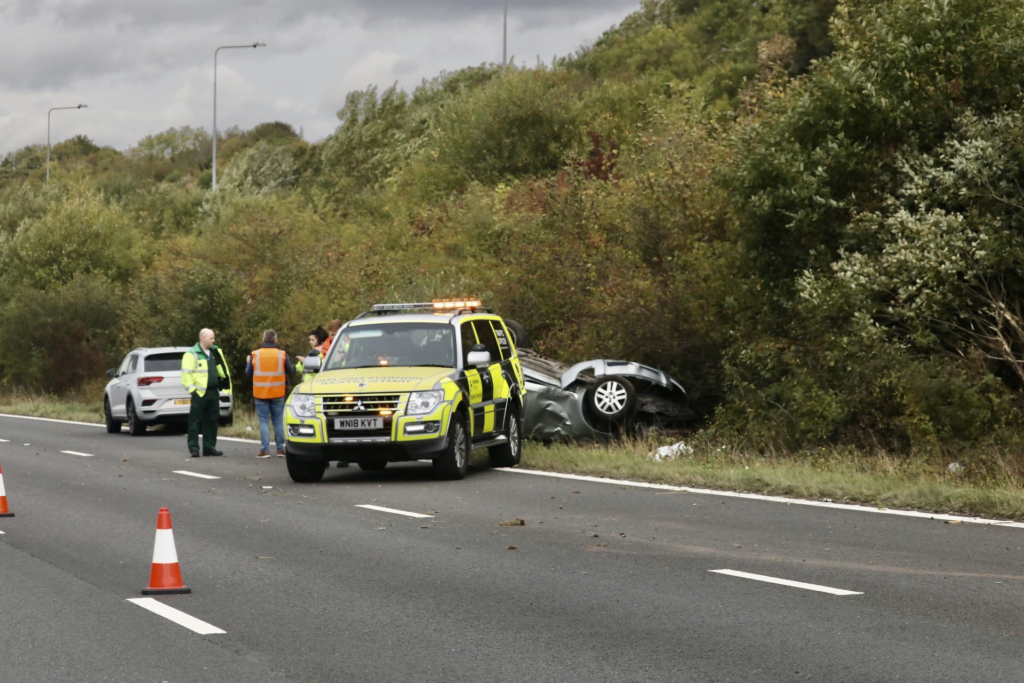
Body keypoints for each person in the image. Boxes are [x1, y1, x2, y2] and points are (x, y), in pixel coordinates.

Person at [181, 328, 231, 458]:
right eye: (211, 338)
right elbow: (186, 375)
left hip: (213, 392)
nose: (213, 340)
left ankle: (209, 447)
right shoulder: (192, 354)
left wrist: (224, 385)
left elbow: (222, 369)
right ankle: (194, 448)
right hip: (200, 393)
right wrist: (193, 391)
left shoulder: (215, 352)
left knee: (212, 421)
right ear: (203, 338)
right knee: (195, 421)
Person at [246, 329, 295, 458]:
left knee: (263, 421)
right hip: (277, 392)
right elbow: (291, 371)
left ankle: (265, 449)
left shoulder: (255, 354)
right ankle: (280, 449)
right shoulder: (282, 354)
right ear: (275, 340)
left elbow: (248, 374)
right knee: (278, 420)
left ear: (263, 340)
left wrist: (247, 363)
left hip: (261, 393)